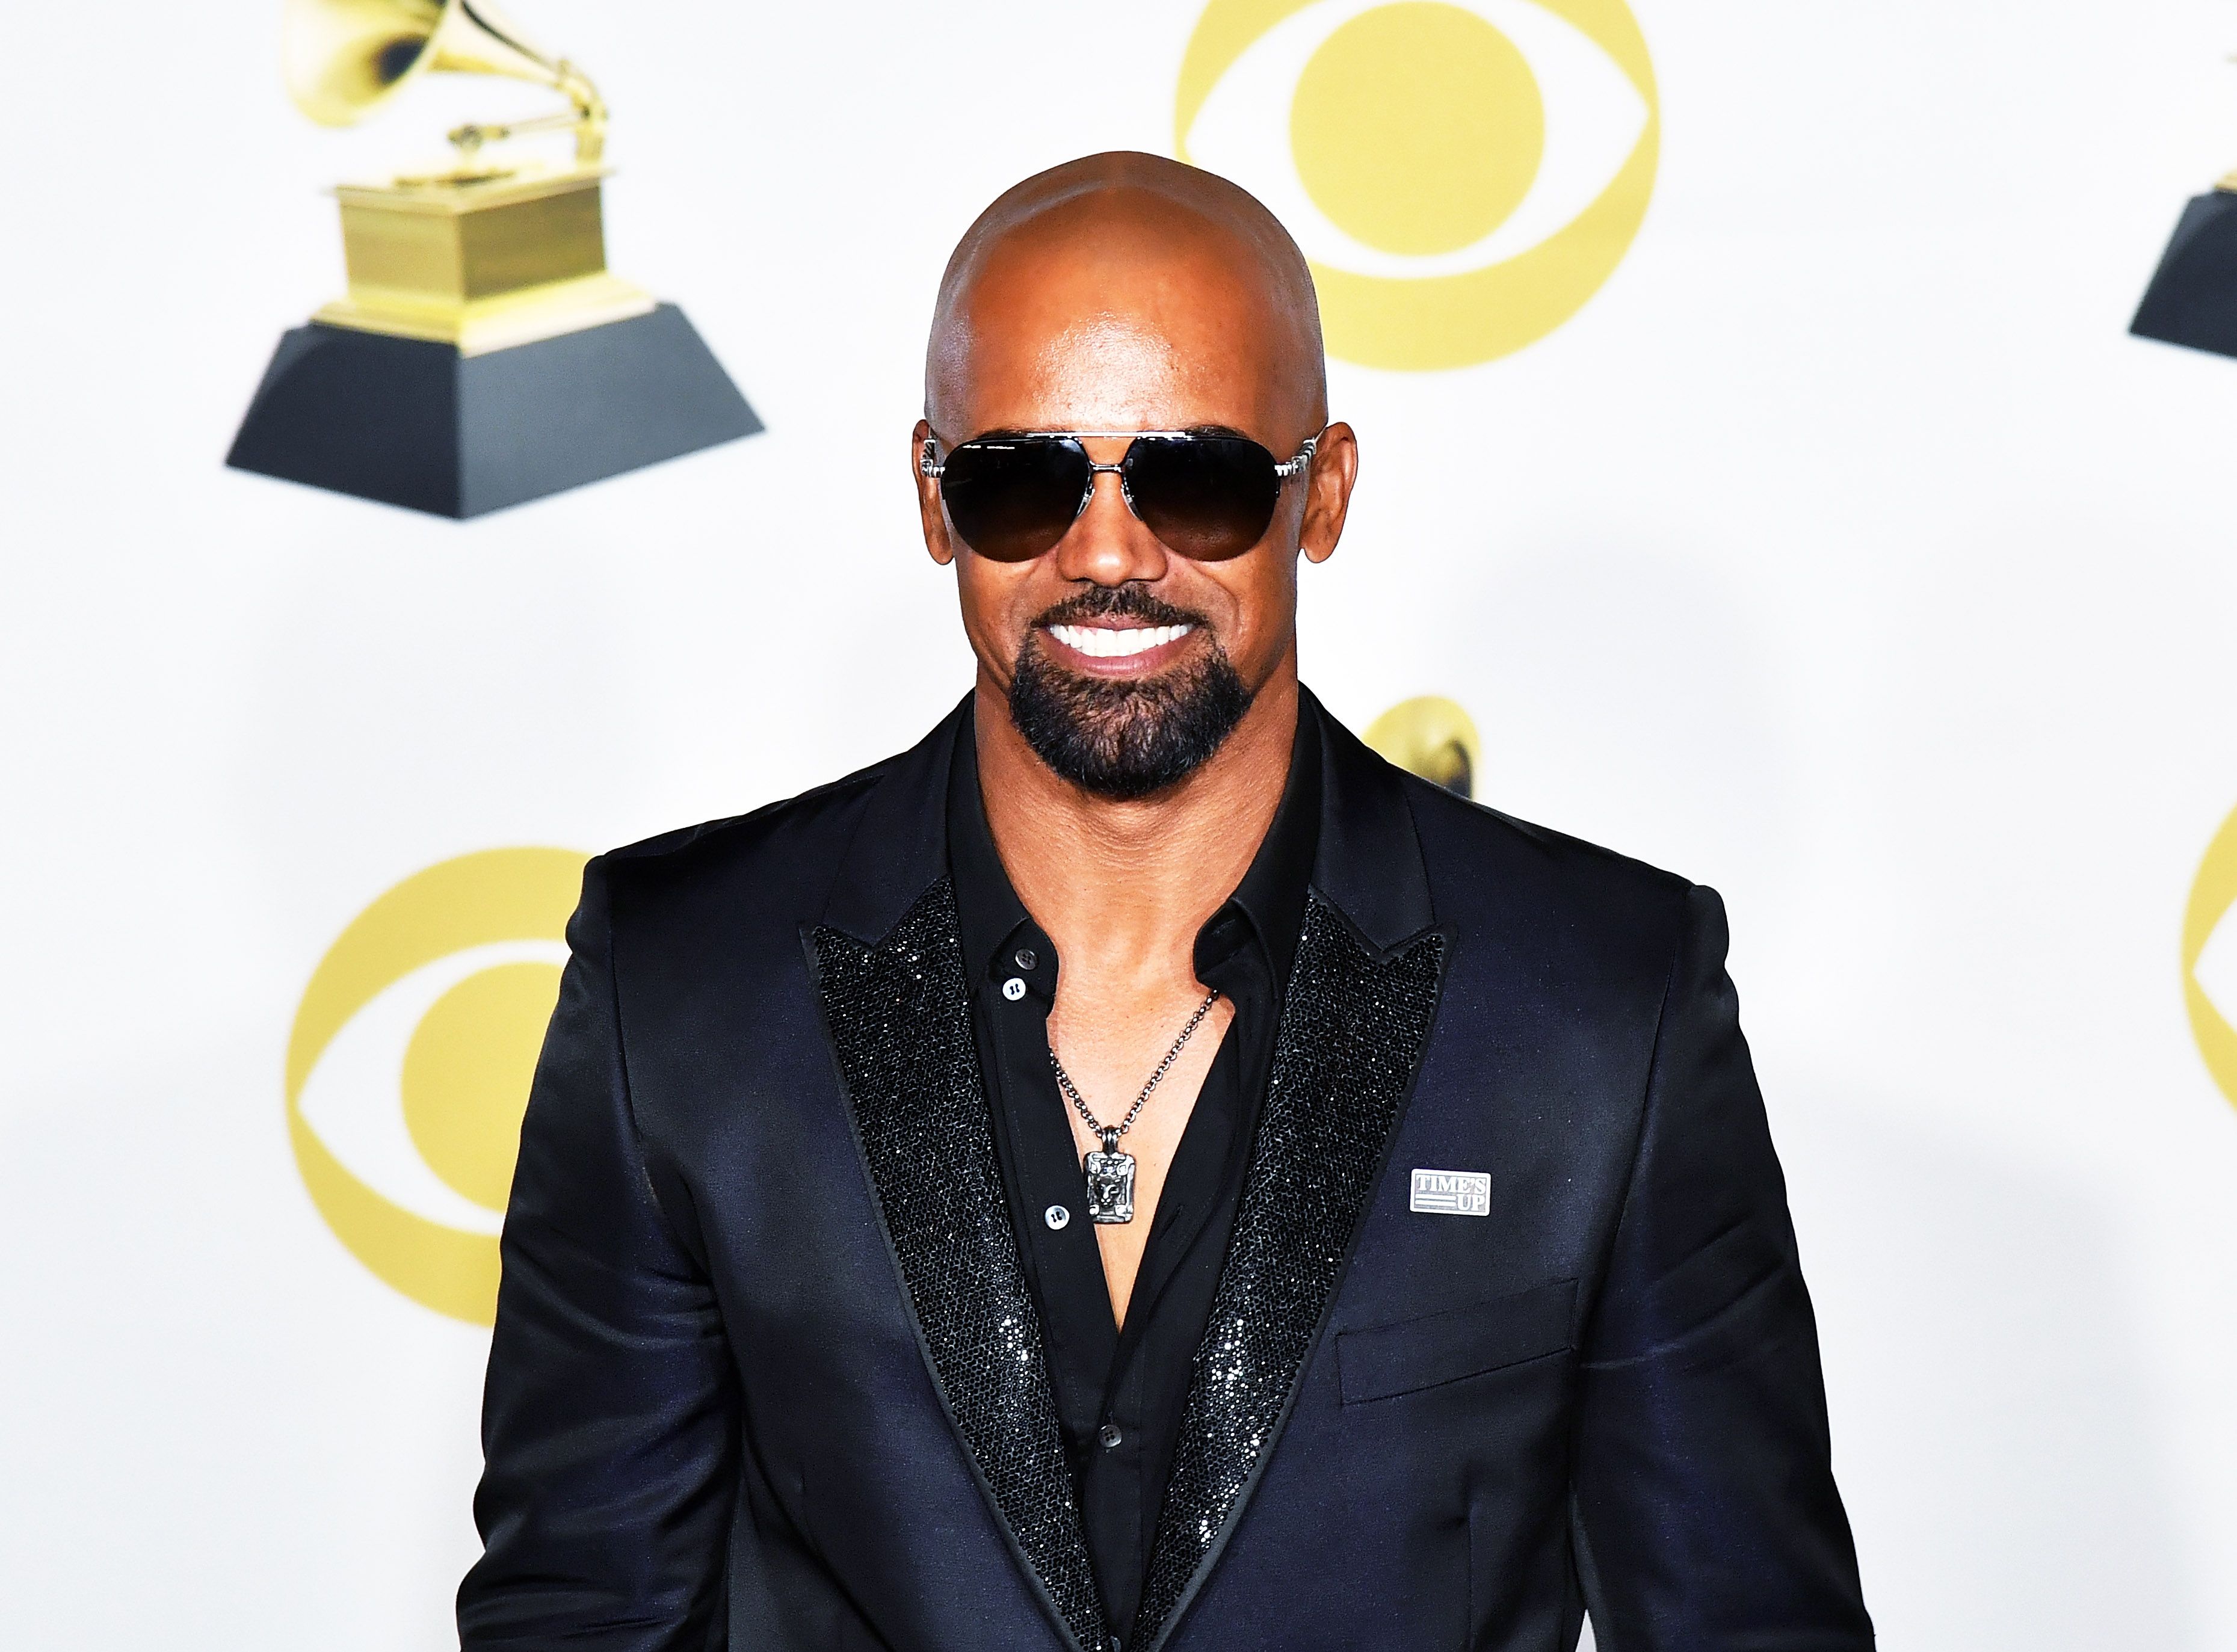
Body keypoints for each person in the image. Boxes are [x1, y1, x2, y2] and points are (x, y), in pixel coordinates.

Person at [458, 152, 1873, 1652]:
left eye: (1194, 478)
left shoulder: (1598, 1010)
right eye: (1023, 480)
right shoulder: (682, 987)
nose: (1107, 553)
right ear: (934, 499)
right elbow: (581, 1615)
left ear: (1321, 492)